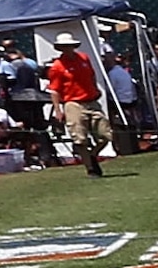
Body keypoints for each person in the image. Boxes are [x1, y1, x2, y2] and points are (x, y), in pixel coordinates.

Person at [40, 34, 107, 176]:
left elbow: (91, 75)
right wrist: (58, 110)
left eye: (69, 46)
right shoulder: (57, 67)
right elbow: (55, 90)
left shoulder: (84, 58)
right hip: (73, 103)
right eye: (64, 46)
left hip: (91, 100)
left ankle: (92, 156)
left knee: (105, 135)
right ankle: (90, 168)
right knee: (80, 138)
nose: (67, 49)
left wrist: (95, 88)